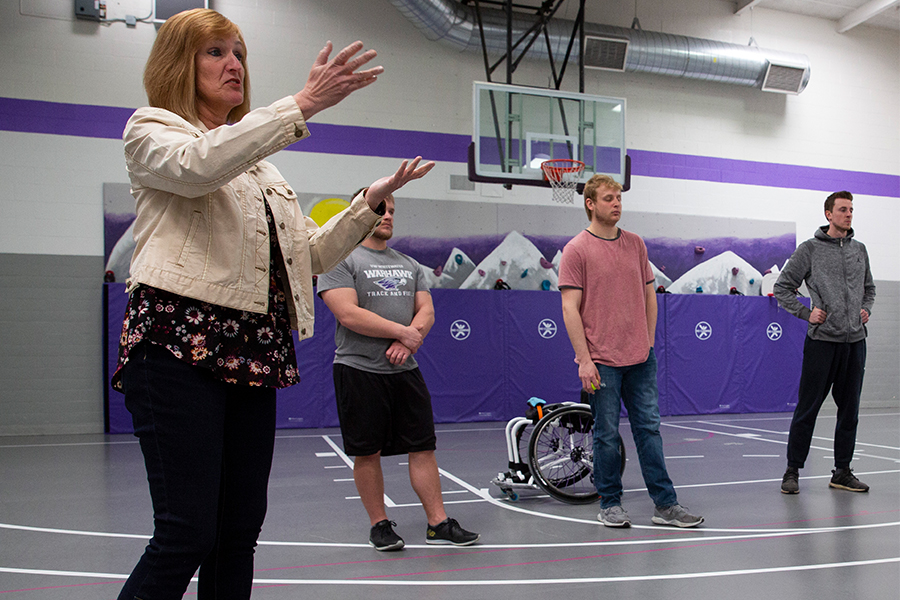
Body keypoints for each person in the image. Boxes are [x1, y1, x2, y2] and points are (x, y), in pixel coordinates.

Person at [112, 9, 435, 599]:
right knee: (186, 533)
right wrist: (303, 104)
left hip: (251, 351)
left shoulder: (262, 167)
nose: (234, 63)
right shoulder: (151, 130)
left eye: (238, 52)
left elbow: (305, 257)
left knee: (237, 533)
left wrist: (368, 203)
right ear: (176, 64)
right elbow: (197, 168)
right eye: (215, 52)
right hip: (177, 346)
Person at [317, 192, 480, 551]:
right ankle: (379, 525)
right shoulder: (339, 260)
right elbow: (348, 313)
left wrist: (409, 342)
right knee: (367, 451)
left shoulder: (409, 264)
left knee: (423, 446)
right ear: (360, 213)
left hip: (405, 368)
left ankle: (438, 523)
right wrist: (400, 331)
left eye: (391, 210)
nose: (388, 215)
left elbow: (427, 311)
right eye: (380, 209)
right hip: (358, 370)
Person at [558, 174, 703, 529]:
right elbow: (569, 308)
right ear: (591, 204)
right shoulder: (577, 249)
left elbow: (650, 295)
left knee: (649, 431)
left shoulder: (636, 244)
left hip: (641, 359)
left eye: (619, 198)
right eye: (609, 198)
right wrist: (584, 359)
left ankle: (666, 505)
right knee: (606, 435)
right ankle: (610, 503)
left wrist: (647, 342)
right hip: (601, 363)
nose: (617, 204)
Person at [774, 191, 875, 495]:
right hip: (822, 343)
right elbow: (782, 288)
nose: (849, 214)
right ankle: (792, 470)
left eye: (851, 210)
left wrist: (865, 309)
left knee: (850, 411)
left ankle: (842, 472)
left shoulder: (860, 250)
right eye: (843, 210)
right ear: (829, 214)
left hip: (855, 342)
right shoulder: (810, 250)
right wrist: (807, 313)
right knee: (808, 408)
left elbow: (869, 288)